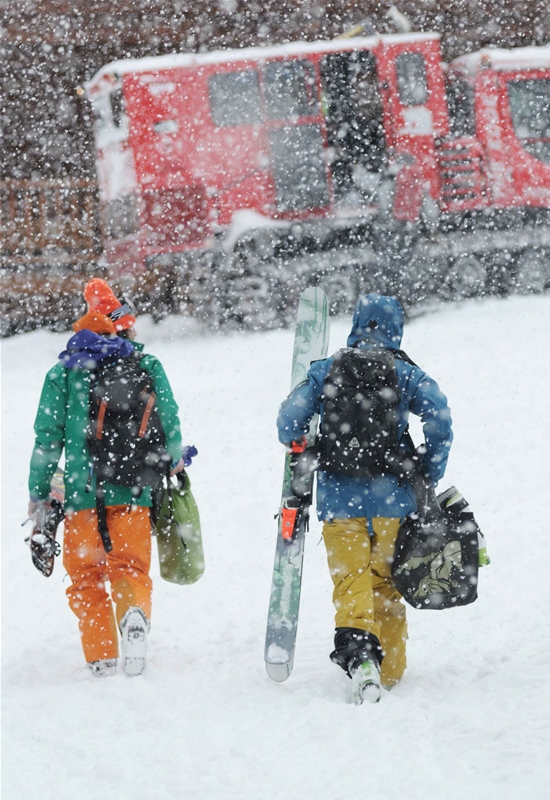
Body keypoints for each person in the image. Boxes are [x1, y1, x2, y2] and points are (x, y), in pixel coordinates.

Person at [276, 294, 453, 703]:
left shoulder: (326, 370)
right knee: (387, 584)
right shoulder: (407, 373)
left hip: (340, 503)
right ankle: (390, 669)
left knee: (351, 581)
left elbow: (288, 421)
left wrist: (303, 442)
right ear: (397, 329)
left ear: (356, 323)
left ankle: (361, 660)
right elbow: (440, 419)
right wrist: (428, 470)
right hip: (394, 501)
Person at [27, 278, 188, 678]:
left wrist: (39, 491)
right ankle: (133, 614)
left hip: (81, 495)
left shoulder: (62, 373)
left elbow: (46, 440)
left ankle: (100, 657)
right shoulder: (145, 365)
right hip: (134, 489)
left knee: (86, 579)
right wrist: (173, 461)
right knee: (130, 567)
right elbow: (169, 417)